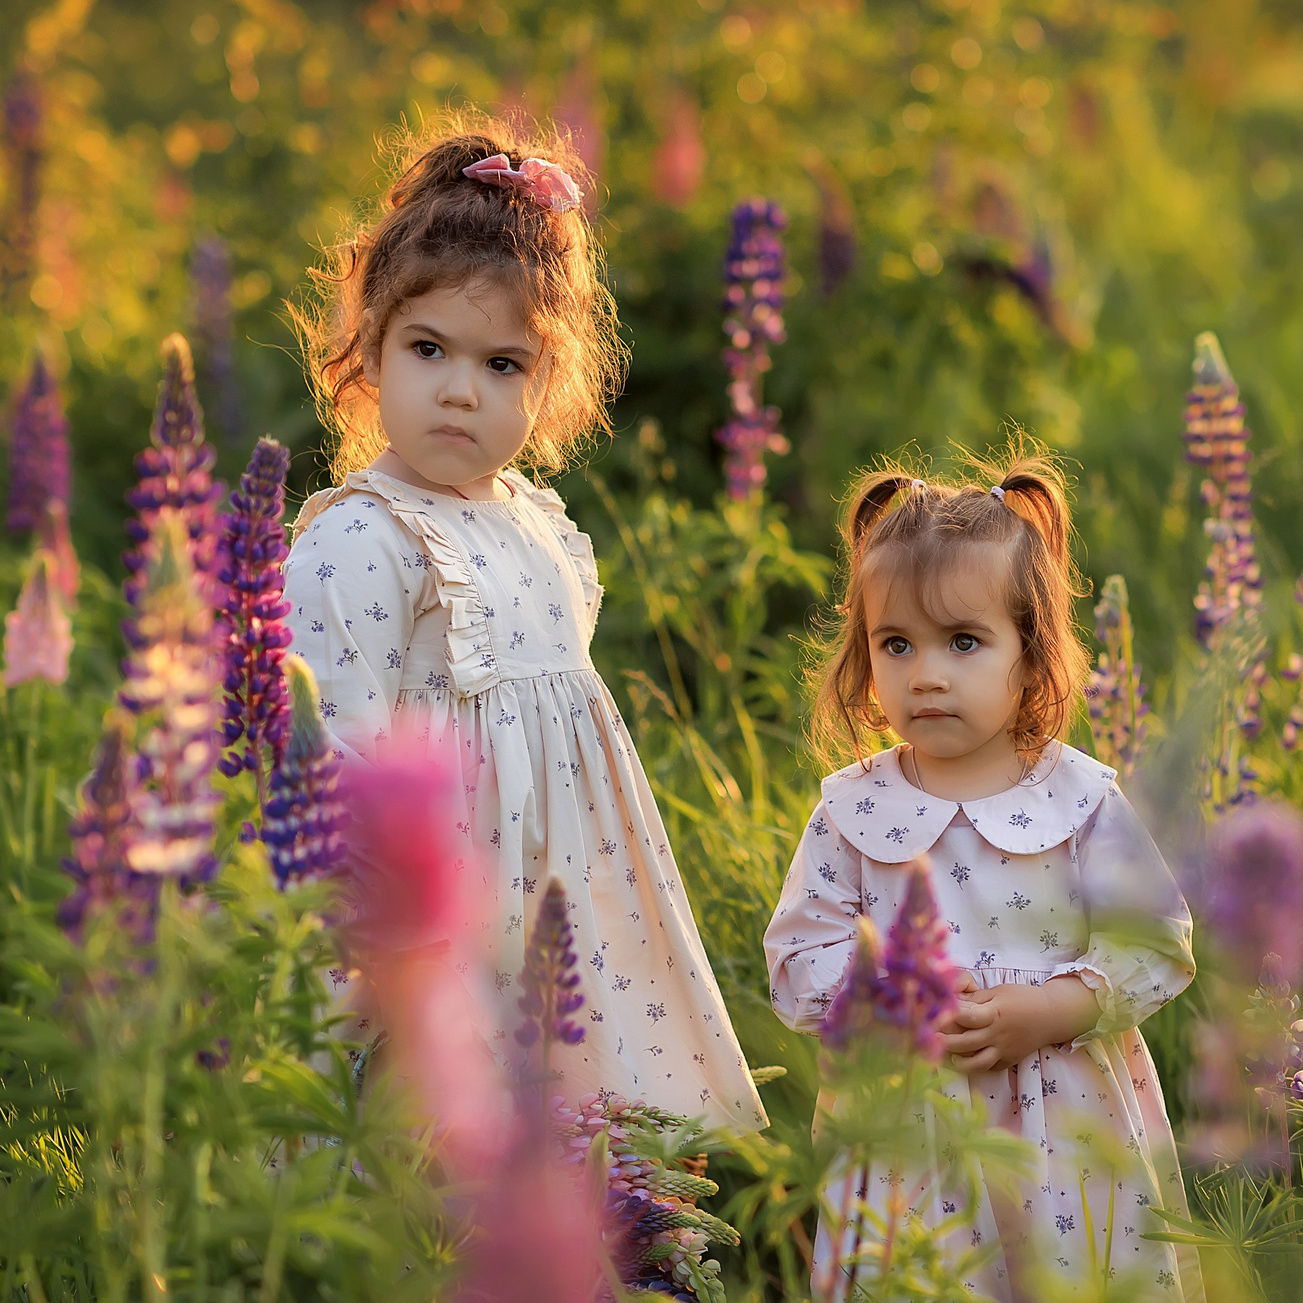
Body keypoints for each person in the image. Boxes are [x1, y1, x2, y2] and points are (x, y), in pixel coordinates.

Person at [283, 114, 766, 1134]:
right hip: (435, 928)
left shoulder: (536, 522)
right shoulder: (362, 540)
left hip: (569, 922)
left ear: (550, 382)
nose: (462, 388)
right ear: (370, 346)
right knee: (430, 1164)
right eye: (428, 349)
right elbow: (331, 761)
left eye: (504, 365)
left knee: (582, 1157)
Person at [764, 451, 1203, 1300]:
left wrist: (1055, 1006)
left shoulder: (1074, 796)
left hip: (1062, 1125)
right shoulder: (854, 809)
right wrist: (887, 1005)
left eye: (963, 641)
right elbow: (799, 956)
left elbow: (1154, 938)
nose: (925, 671)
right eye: (896, 643)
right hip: (908, 1123)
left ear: (1029, 652)